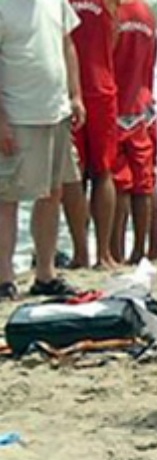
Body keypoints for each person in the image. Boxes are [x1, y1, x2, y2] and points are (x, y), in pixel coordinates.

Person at [0, 0, 84, 300]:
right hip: (19, 114)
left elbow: (68, 44)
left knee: (53, 192)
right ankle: (4, 277)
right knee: (7, 198)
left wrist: (76, 95)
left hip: (56, 111)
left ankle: (45, 274)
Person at [64, 0, 120, 269]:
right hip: (94, 87)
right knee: (84, 173)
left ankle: (94, 253)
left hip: (84, 89)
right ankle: (93, 253)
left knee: (95, 171)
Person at [112, 0, 157, 264]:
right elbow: (151, 59)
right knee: (144, 184)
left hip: (116, 105)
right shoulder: (146, 12)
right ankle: (143, 249)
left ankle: (114, 251)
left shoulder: (111, 12)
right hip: (143, 103)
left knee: (118, 184)